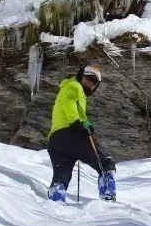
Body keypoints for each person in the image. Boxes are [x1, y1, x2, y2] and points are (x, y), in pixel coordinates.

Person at [46, 64, 116, 202]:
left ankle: (55, 203)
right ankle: (108, 199)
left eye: (93, 82)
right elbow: (69, 102)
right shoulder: (74, 86)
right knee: (105, 163)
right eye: (88, 78)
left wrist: (83, 122)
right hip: (71, 134)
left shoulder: (71, 89)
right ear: (80, 76)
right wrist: (76, 122)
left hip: (56, 141)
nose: (90, 82)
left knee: (62, 176)